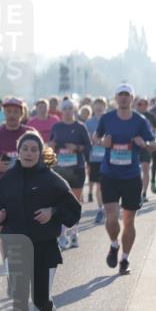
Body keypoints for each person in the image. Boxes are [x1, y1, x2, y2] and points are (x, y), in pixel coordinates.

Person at [0, 132, 80, 311]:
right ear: (18, 152)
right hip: (16, 246)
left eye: (33, 149)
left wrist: (53, 212)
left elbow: (74, 209)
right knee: (19, 298)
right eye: (25, 149)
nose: (29, 153)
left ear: (40, 153)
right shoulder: (7, 179)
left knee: (40, 298)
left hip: (44, 247)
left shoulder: (52, 180)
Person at [94, 84, 156, 275]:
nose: (123, 98)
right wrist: (101, 142)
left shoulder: (140, 121)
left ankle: (125, 259)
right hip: (110, 175)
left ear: (132, 98)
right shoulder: (107, 118)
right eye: (120, 95)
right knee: (112, 218)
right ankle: (114, 245)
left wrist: (145, 144)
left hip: (131, 176)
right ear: (116, 98)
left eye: (127, 95)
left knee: (129, 221)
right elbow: (95, 137)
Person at [48, 99, 91, 248]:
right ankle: (62, 235)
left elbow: (88, 147)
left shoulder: (80, 127)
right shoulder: (56, 127)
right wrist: (51, 146)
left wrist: (77, 148)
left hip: (77, 169)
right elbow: (49, 148)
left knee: (75, 202)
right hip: (60, 169)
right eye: (65, 108)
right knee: (60, 202)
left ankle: (74, 234)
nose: (67, 111)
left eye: (70, 108)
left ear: (75, 110)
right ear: (61, 110)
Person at [85, 97, 108, 223]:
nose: (99, 107)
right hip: (94, 158)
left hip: (110, 158)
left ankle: (109, 207)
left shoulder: (110, 121)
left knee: (107, 185)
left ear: (105, 107)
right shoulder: (88, 123)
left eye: (101, 105)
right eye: (96, 105)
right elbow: (87, 140)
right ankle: (100, 209)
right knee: (99, 186)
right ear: (93, 107)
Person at [135, 97, 155, 203]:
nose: (142, 106)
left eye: (144, 104)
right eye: (139, 104)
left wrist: (151, 142)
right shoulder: (131, 116)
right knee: (137, 171)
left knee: (146, 169)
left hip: (146, 146)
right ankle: (137, 192)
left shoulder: (150, 116)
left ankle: (144, 193)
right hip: (134, 147)